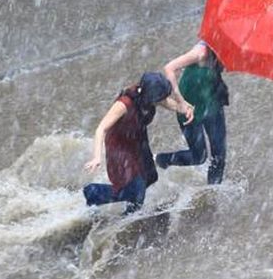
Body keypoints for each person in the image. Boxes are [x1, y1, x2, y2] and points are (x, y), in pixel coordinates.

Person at [83, 72, 194, 214]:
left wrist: (184, 108)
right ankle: (94, 193)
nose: (161, 101)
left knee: (151, 176)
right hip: (120, 146)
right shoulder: (124, 104)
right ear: (148, 96)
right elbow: (101, 128)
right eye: (158, 98)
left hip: (138, 139)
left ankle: (132, 208)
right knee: (136, 190)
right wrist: (96, 157)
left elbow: (166, 102)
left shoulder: (150, 95)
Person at [155, 41, 229, 184]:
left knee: (219, 154)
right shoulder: (201, 52)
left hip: (212, 105)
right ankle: (159, 160)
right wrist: (180, 101)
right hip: (189, 108)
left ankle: (213, 190)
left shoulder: (228, 53)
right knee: (199, 157)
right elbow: (169, 68)